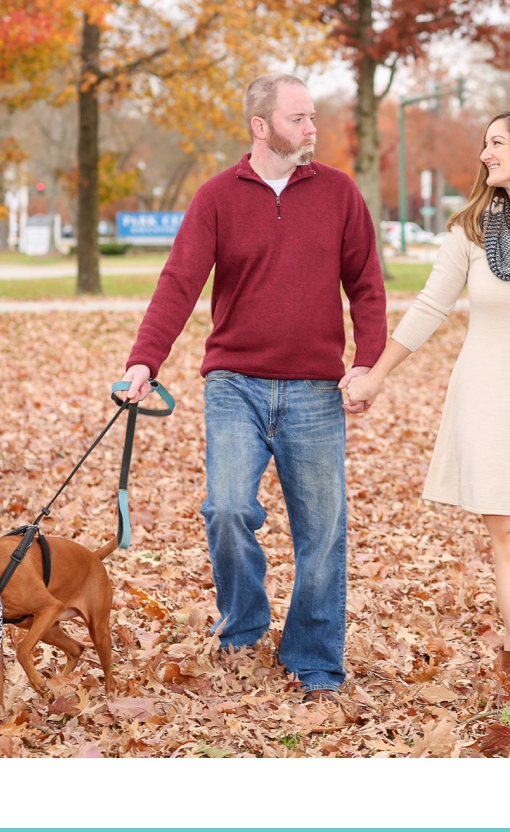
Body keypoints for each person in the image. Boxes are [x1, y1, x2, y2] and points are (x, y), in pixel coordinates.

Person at [116, 73, 387, 701]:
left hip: (316, 391)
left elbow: (367, 286)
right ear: (260, 127)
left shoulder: (339, 193)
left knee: (322, 530)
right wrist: (144, 361)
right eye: (299, 120)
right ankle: (244, 622)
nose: (312, 130)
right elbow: (178, 283)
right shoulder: (217, 197)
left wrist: (367, 362)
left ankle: (314, 656)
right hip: (235, 384)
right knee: (228, 508)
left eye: (312, 118)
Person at [345, 109, 510, 712]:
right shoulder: (470, 230)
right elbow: (429, 309)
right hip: (489, 400)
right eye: (486, 144)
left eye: (496, 144)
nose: (485, 154)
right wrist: (377, 376)